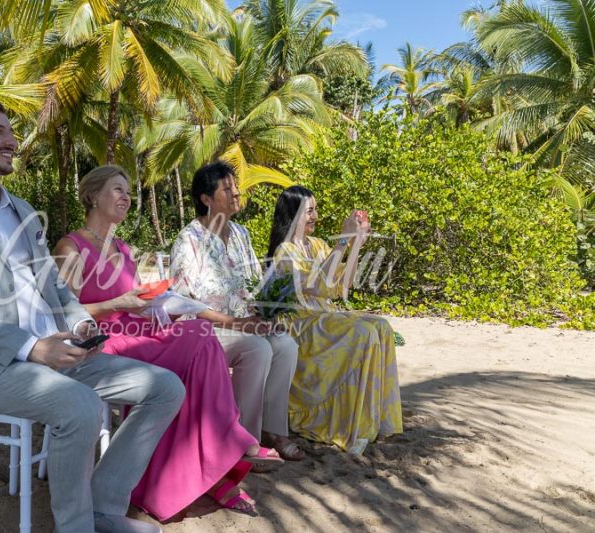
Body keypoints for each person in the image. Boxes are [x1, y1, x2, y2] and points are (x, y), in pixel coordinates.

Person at [0, 99, 185, 533]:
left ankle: (103, 511)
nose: (11, 140)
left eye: (10, 131)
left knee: (165, 388)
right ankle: (75, 527)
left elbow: (53, 286)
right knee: (82, 406)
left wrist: (80, 324)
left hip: (57, 351)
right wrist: (31, 347)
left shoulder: (22, 209)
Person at [53, 165, 283, 521]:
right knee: (198, 346)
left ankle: (217, 459)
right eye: (117, 190)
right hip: (106, 342)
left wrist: (160, 304)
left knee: (199, 336)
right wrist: (119, 304)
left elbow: (135, 301)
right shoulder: (71, 246)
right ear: (93, 196)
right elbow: (64, 314)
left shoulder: (123, 248)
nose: (125, 198)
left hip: (140, 329)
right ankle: (229, 445)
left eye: (128, 191)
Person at [169, 161, 304, 463]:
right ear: (206, 199)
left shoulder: (241, 234)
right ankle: (243, 440)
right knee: (257, 349)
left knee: (285, 344)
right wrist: (241, 324)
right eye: (227, 188)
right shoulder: (188, 240)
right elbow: (186, 305)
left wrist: (266, 317)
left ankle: (273, 429)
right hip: (205, 330)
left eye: (236, 186)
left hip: (243, 324)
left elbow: (254, 285)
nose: (236, 192)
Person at [265, 185, 403, 455]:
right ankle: (348, 427)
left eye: (316, 209)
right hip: (299, 321)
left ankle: (373, 421)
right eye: (310, 211)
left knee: (381, 327)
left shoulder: (316, 245)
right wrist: (343, 239)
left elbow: (341, 287)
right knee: (362, 333)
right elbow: (318, 286)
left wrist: (355, 243)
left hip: (322, 314)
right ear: (293, 215)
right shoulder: (284, 251)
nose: (315, 216)